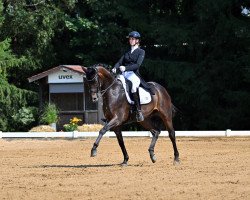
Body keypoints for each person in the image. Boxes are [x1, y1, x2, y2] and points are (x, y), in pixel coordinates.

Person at [112, 31, 145, 122]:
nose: (131, 40)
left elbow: (137, 65)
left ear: (137, 40)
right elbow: (119, 62)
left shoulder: (141, 52)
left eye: (133, 39)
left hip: (133, 74)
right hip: (124, 74)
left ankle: (139, 111)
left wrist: (125, 68)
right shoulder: (127, 52)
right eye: (130, 39)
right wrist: (115, 67)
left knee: (134, 88)